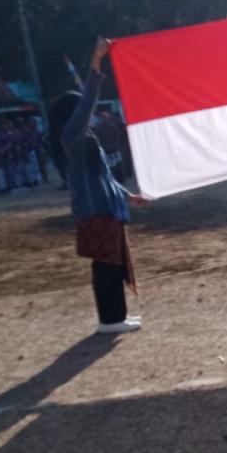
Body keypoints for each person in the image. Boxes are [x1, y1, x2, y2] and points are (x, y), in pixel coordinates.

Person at [49, 38, 147, 334]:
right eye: (80, 109)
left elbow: (104, 177)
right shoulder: (72, 137)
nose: (87, 112)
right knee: (106, 266)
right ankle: (110, 320)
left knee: (111, 264)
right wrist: (96, 62)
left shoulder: (86, 140)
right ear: (72, 115)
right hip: (95, 213)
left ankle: (115, 318)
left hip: (106, 209)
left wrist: (128, 196)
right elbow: (87, 103)